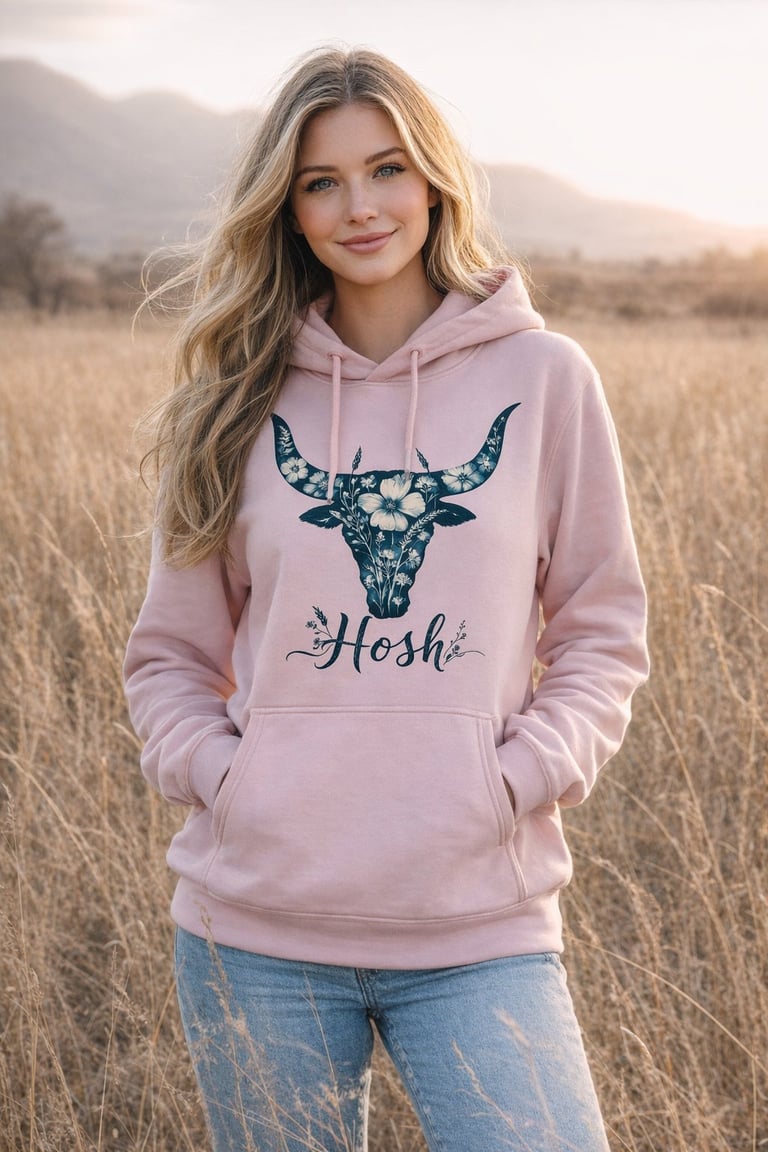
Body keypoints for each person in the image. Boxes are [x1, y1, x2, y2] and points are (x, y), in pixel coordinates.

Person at [124, 45, 649, 1152]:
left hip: (480, 924)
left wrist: (514, 779)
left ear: (435, 181)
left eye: (388, 169)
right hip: (255, 934)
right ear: (290, 209)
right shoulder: (234, 400)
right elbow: (169, 656)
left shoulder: (545, 379)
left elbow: (603, 629)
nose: (360, 206)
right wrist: (235, 779)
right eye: (322, 181)